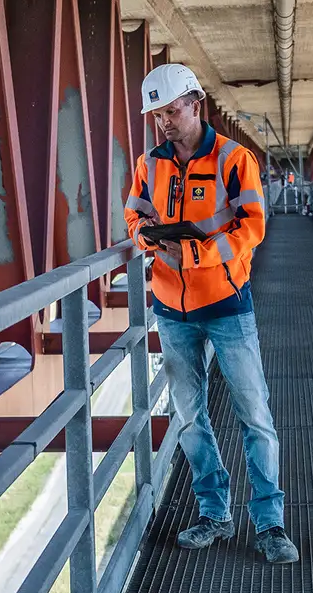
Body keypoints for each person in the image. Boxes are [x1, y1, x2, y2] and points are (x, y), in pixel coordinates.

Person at [123, 62, 298, 564]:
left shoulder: (233, 159)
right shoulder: (149, 164)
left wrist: (194, 256)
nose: (164, 122)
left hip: (226, 303)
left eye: (172, 111)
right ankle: (214, 513)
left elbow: (253, 227)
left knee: (254, 414)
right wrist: (147, 239)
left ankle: (270, 524)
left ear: (195, 104)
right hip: (171, 309)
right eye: (157, 114)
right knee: (188, 417)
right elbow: (134, 214)